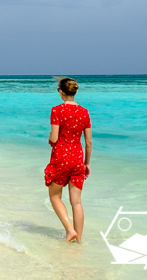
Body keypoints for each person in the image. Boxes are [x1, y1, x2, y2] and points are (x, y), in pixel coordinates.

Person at [45, 77, 92, 243]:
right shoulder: (84, 112)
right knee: (77, 202)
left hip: (61, 157)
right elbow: (88, 142)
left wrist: (50, 138)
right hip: (78, 157)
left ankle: (70, 230)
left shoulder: (57, 110)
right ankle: (79, 240)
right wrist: (87, 163)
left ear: (61, 92)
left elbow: (55, 137)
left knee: (55, 196)